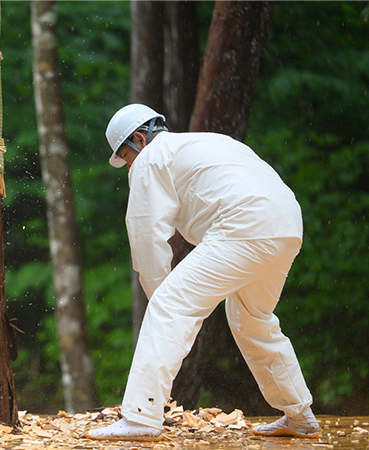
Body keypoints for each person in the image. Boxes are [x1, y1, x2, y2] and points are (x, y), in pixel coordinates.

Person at [86, 104, 319, 441]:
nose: (129, 166)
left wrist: (162, 303)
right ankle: (299, 414)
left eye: (126, 156)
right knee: (252, 318)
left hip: (244, 224)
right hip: (286, 224)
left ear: (140, 138)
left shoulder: (151, 158)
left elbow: (147, 236)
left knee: (169, 303)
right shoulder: (204, 142)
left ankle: (140, 416)